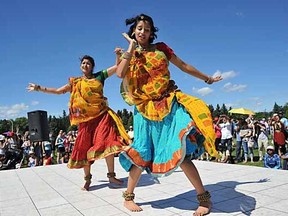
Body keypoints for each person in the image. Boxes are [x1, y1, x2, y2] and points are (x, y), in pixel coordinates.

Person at [116, 14, 222, 215]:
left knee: (180, 147)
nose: (143, 32)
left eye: (146, 29)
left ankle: (204, 198)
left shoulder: (161, 49)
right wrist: (130, 47)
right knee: (143, 152)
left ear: (151, 32)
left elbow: (183, 65)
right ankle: (128, 197)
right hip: (144, 109)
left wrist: (206, 78)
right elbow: (121, 74)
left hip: (168, 102)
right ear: (134, 30)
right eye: (139, 28)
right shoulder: (130, 53)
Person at [27, 49, 131, 191]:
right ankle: (87, 180)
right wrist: (39, 88)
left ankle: (111, 175)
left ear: (92, 66)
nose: (85, 65)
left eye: (88, 63)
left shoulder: (100, 76)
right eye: (83, 63)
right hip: (85, 122)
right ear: (80, 66)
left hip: (102, 116)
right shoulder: (75, 82)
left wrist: (118, 56)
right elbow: (58, 91)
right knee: (84, 149)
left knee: (108, 144)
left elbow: (117, 68)